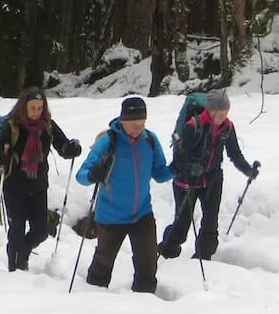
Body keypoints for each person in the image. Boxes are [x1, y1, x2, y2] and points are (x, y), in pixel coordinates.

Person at [74, 96, 172, 293]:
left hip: (142, 214)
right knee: (103, 264)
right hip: (110, 216)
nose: (138, 128)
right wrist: (93, 174)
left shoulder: (150, 140)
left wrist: (177, 168)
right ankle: (91, 299)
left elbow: (160, 173)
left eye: (142, 124)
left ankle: (145, 302)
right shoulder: (108, 142)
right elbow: (81, 176)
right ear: (123, 120)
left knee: (148, 264)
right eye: (134, 124)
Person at [0, 87, 82, 271]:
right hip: (14, 186)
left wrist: (71, 149)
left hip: (38, 186)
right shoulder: (12, 127)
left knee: (41, 232)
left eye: (40, 108)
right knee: (16, 231)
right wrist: (2, 157)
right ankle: (14, 268)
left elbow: (62, 146)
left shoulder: (47, 126)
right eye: (32, 108)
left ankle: (22, 254)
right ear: (24, 107)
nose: (36, 112)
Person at [158, 89, 260, 261]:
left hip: (212, 180)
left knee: (210, 223)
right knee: (182, 223)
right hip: (187, 181)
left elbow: (234, 154)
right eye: (219, 113)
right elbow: (180, 155)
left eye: (225, 113)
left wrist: (248, 170)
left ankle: (203, 257)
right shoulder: (193, 125)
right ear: (210, 110)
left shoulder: (227, 127)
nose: (222, 117)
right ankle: (167, 252)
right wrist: (192, 167)